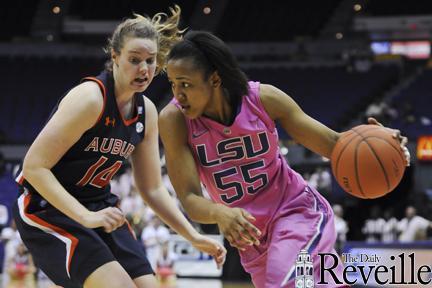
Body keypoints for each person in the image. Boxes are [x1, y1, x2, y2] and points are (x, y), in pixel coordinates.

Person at [158, 31, 410, 288]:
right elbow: (189, 199)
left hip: (296, 213)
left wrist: (384, 144)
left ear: (214, 79)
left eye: (186, 84)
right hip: (253, 241)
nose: (178, 94)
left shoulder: (262, 99)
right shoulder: (173, 120)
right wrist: (220, 212)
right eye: (173, 84)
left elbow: (335, 145)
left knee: (284, 283)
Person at [12, 7, 225, 288]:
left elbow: (151, 189)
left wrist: (192, 235)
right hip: (47, 208)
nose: (144, 69)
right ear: (114, 57)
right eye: (134, 60)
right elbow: (34, 167)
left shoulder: (146, 112)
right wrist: (85, 216)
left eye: (150, 61)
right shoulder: (90, 99)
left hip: (99, 207)